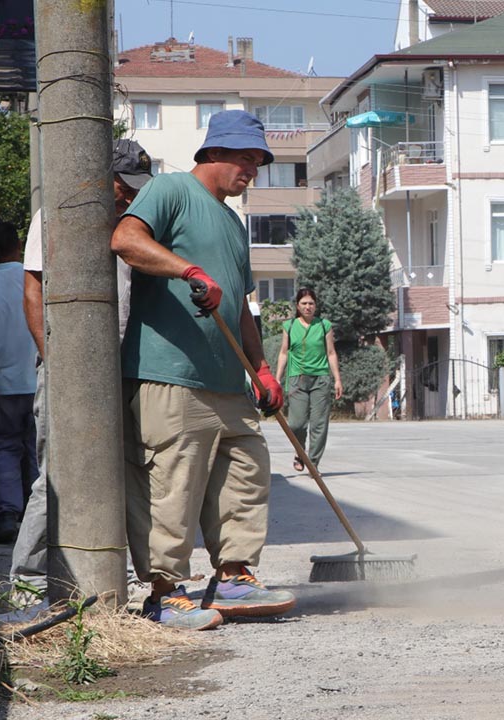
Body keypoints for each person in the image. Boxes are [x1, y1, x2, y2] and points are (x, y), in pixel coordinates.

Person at [111, 110, 292, 630]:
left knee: (247, 472)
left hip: (226, 379)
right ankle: (165, 596)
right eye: (246, 158)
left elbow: (238, 307)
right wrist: (187, 269)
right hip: (168, 374)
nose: (253, 170)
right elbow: (125, 240)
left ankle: (233, 578)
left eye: (258, 161)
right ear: (214, 153)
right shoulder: (170, 190)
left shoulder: (233, 223)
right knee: (173, 486)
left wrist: (261, 369)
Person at [12, 139, 153, 595]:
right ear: (102, 175)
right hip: (65, 371)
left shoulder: (132, 225)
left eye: (137, 188)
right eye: (124, 185)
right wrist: (57, 364)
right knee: (57, 475)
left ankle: (115, 575)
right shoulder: (55, 216)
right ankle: (29, 582)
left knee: (117, 472)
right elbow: (33, 291)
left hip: (118, 369)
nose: (130, 195)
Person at [0, 219, 38, 544]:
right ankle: (40, 515)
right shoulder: (33, 279)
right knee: (36, 449)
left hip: (3, 385)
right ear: (18, 246)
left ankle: (9, 513)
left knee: (6, 448)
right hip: (36, 379)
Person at [275, 287, 343, 472]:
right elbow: (283, 353)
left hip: (320, 379)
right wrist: (277, 379)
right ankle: (300, 452)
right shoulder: (289, 326)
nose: (307, 307)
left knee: (319, 424)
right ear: (297, 306)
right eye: (304, 303)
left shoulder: (324, 325)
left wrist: (337, 379)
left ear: (315, 306)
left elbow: (331, 353)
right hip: (297, 379)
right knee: (296, 424)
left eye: (311, 303)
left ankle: (313, 463)